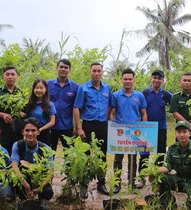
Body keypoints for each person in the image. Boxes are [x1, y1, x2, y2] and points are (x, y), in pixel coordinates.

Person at [73, 62, 111, 196]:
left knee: (102, 155)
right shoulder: (83, 88)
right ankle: (84, 186)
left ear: (102, 72)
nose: (96, 73)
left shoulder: (107, 88)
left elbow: (109, 106)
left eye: (98, 71)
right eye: (94, 71)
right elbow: (77, 107)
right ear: (90, 72)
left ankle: (101, 183)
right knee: (85, 155)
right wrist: (79, 127)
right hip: (88, 125)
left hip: (102, 125)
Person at [109, 68, 147, 193]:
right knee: (118, 159)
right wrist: (112, 127)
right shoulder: (116, 95)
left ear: (134, 80)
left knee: (133, 159)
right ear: (121, 80)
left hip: (135, 133)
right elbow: (112, 113)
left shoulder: (139, 96)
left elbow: (143, 113)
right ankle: (117, 184)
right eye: (125, 79)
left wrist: (145, 130)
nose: (127, 81)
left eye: (130, 79)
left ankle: (131, 183)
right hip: (120, 133)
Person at [158, 121, 191, 209]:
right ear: (175, 134)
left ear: (189, 133)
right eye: (179, 132)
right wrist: (153, 171)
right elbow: (167, 167)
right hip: (178, 178)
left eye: (184, 132)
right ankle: (169, 204)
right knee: (162, 178)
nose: (182, 135)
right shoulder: (172, 148)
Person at [139, 70, 172, 189]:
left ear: (163, 80)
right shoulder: (144, 93)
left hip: (161, 129)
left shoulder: (166, 95)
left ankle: (157, 177)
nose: (156, 80)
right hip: (146, 129)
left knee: (160, 154)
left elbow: (176, 101)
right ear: (151, 79)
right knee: (144, 155)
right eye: (154, 77)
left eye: (159, 78)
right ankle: (141, 178)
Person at [11, 118, 54, 210]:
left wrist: (40, 188)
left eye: (33, 130)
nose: (30, 134)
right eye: (27, 130)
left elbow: (50, 173)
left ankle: (42, 199)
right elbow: (14, 166)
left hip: (39, 179)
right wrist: (24, 183)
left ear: (38, 132)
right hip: (24, 178)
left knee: (47, 192)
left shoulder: (46, 149)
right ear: (23, 132)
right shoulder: (18, 145)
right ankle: (23, 199)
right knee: (15, 183)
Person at [0, 66, 23, 155]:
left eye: (13, 74)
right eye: (7, 74)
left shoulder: (20, 93)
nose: (10, 77)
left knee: (17, 150)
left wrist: (19, 114)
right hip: (2, 128)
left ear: (16, 77)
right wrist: (3, 115)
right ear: (3, 76)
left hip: (17, 128)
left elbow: (25, 110)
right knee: (2, 151)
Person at [47, 59, 79, 153]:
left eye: (66, 67)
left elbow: (76, 107)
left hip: (67, 126)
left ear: (69, 70)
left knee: (69, 154)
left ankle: (68, 168)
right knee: (49, 154)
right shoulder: (48, 84)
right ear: (57, 68)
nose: (63, 69)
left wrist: (77, 127)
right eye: (61, 67)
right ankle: (49, 168)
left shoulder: (75, 87)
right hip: (51, 126)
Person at [169, 72, 191, 144]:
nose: (187, 82)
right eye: (184, 80)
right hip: (181, 130)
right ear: (180, 82)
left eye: (189, 80)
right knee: (180, 152)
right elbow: (175, 114)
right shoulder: (176, 97)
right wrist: (189, 125)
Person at [24, 78, 56, 146]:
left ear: (45, 89)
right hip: (30, 133)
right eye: (36, 88)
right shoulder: (28, 104)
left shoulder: (50, 105)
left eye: (41, 88)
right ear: (33, 89)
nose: (39, 90)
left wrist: (40, 129)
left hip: (44, 133)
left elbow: (52, 122)